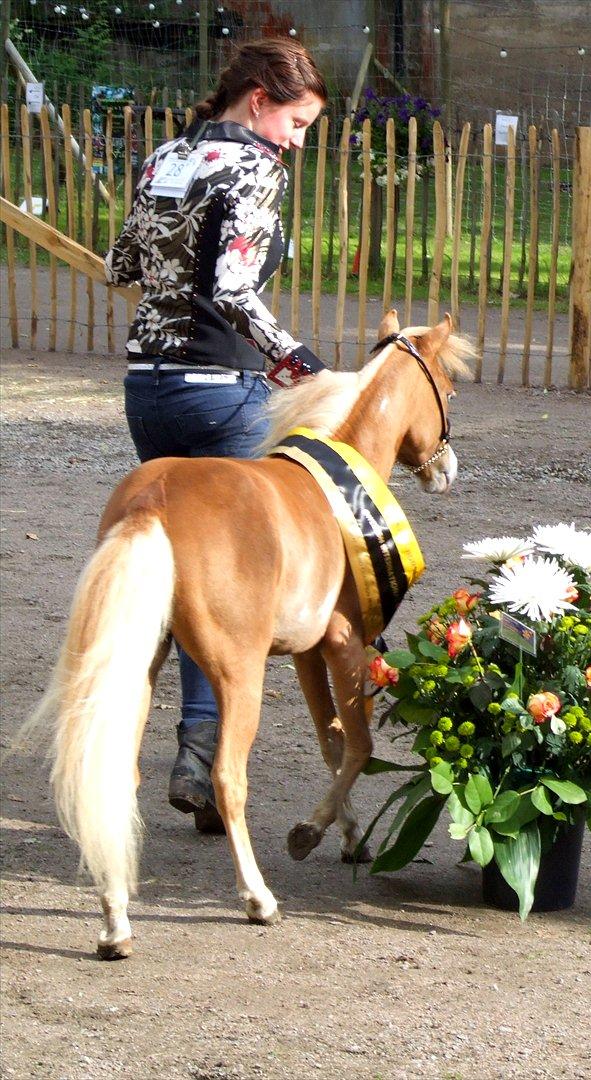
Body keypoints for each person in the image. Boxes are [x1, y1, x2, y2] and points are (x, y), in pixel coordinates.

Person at [105, 38, 328, 832]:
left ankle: (167, 745)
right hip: (219, 391)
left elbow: (119, 262)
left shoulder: (166, 154)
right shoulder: (253, 167)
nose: (298, 142)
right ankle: (200, 755)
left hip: (147, 391)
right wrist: (296, 360)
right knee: (230, 587)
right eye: (297, 123)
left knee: (172, 569)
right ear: (261, 99)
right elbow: (233, 287)